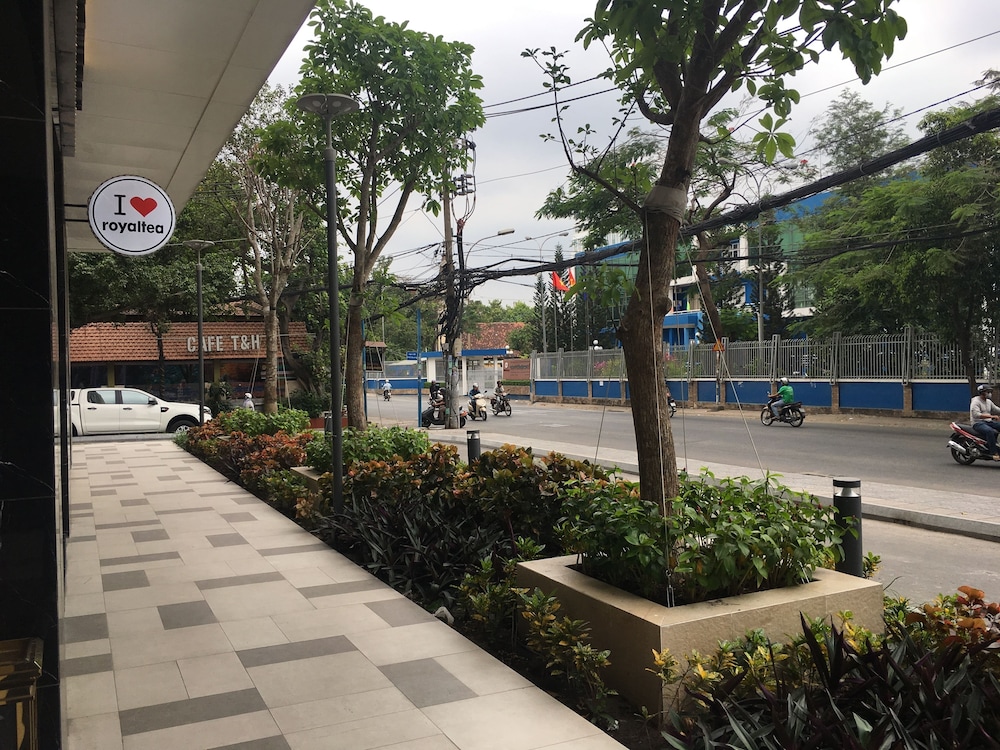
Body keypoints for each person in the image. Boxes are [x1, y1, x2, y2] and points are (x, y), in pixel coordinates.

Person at [970, 384, 1000, 460]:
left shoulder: (988, 402)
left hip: (988, 422)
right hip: (977, 423)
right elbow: (976, 415)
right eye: (987, 392)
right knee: (990, 431)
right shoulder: (975, 402)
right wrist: (991, 416)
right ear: (982, 393)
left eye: (990, 391)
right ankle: (994, 452)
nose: (989, 393)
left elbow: (996, 409)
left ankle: (995, 445)